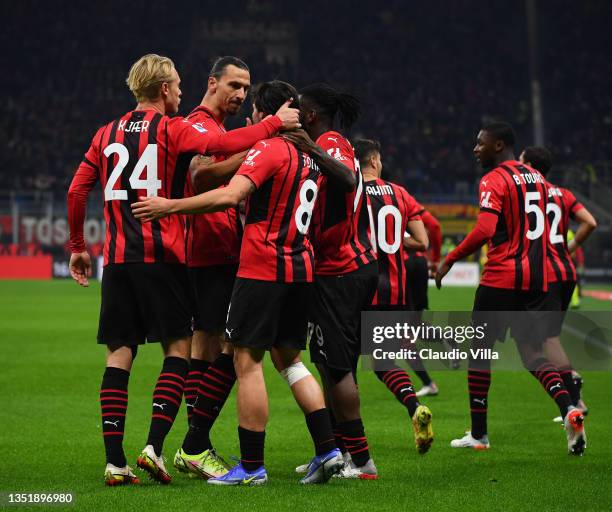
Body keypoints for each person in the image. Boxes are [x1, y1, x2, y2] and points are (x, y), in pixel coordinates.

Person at [67, 54, 300, 486]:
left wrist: (78, 246)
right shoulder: (173, 128)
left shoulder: (105, 133)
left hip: (116, 261)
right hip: (164, 258)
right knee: (180, 351)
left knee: (119, 355)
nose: (180, 91)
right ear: (162, 90)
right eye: (176, 85)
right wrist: (272, 126)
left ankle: (114, 461)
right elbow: (220, 149)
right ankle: (157, 447)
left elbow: (78, 188)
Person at [132, 80, 346, 486]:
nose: (249, 119)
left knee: (246, 364)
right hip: (301, 269)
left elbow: (230, 196)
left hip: (263, 268)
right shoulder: (311, 158)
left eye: (253, 114)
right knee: (293, 361)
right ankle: (328, 450)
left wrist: (169, 207)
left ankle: (250, 468)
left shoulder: (271, 148)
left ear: (266, 117)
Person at [435, 122, 586, 455]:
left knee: (479, 353)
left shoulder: (494, 179)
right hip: (535, 279)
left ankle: (479, 434)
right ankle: (569, 409)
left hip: (501, 277)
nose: (475, 149)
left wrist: (450, 259)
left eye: (480, 143)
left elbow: (485, 228)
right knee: (533, 353)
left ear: (499, 145)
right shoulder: (540, 181)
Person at [284, 84, 380, 479]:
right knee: (330, 364)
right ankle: (336, 452)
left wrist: (311, 147)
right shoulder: (323, 142)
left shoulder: (331, 141)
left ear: (309, 116)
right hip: (341, 270)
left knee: (337, 369)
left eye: (298, 110)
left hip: (341, 271)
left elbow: (346, 180)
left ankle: (362, 461)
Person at [172, 56, 253, 479]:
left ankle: (195, 442)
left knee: (206, 343)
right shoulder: (201, 124)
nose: (240, 94)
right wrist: (251, 159)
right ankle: (195, 443)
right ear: (212, 83)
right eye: (234, 85)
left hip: (215, 251)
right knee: (230, 346)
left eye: (246, 87)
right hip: (209, 252)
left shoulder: (219, 129)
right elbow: (201, 178)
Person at [355, 138, 434, 454]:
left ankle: (345, 447)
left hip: (360, 289)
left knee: (342, 370)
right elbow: (422, 241)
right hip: (396, 291)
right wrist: (393, 242)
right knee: (382, 361)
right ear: (374, 160)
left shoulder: (351, 192)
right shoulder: (399, 193)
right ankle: (414, 406)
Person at [519, 146, 597, 421]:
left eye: (520, 161)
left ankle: (573, 399)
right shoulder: (563, 194)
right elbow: (590, 222)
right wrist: (570, 247)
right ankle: (574, 397)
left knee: (543, 340)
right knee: (551, 335)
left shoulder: (527, 195)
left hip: (544, 273)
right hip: (565, 270)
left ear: (528, 165)